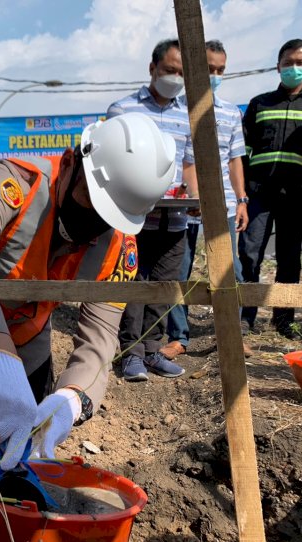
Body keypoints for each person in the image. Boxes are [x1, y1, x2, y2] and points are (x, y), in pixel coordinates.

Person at [0, 112, 176, 501]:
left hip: (29, 335)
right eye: (90, 199)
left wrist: (74, 395)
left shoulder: (119, 244)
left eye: (108, 215)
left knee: (25, 454)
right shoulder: (14, 183)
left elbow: (101, 332)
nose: (93, 220)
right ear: (72, 162)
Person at [107, 39, 197, 381]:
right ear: (152, 68)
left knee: (163, 285)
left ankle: (152, 350)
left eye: (181, 73)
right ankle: (130, 353)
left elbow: (188, 166)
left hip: (174, 218)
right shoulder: (122, 110)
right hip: (132, 219)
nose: (174, 78)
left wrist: (194, 196)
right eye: (169, 70)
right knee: (134, 281)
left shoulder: (188, 115)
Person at [238, 38, 302, 339]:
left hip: (296, 194)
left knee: (289, 258)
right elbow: (242, 153)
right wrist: (242, 194)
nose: (293, 68)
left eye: (300, 63)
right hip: (259, 193)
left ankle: (284, 320)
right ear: (278, 66)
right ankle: (246, 318)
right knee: (249, 255)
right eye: (288, 63)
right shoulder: (260, 104)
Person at [162, 40, 250, 359]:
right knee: (179, 270)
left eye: (220, 70)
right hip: (182, 206)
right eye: (209, 68)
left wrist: (241, 200)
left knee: (230, 271)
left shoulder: (229, 113)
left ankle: (231, 333)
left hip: (223, 204)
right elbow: (180, 160)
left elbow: (235, 159)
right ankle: (178, 337)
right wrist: (192, 196)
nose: (214, 74)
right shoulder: (173, 110)